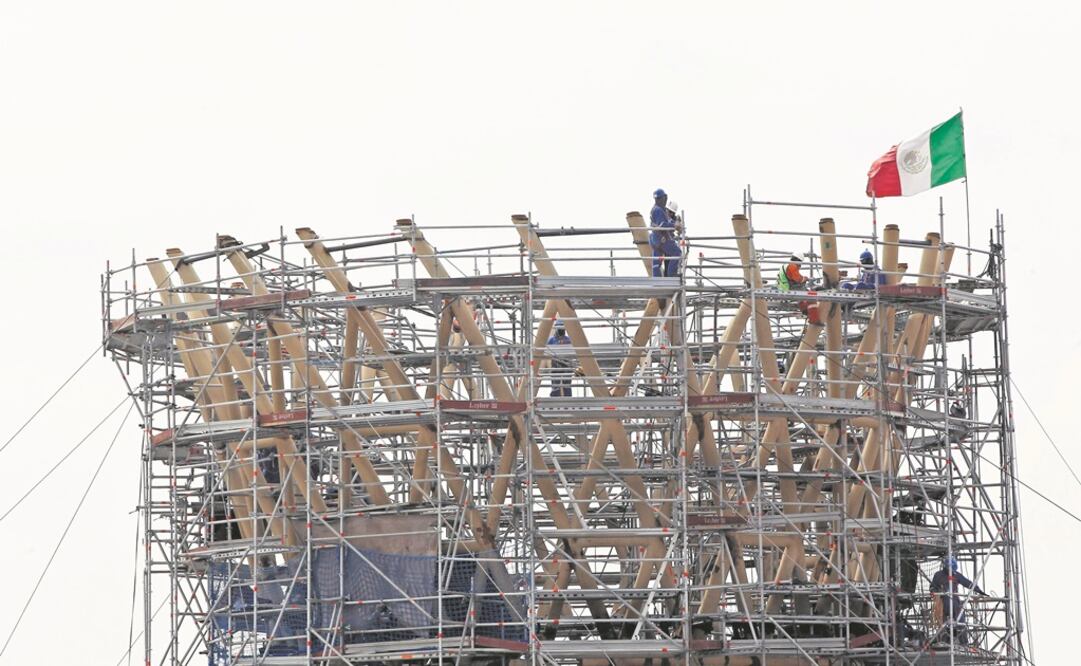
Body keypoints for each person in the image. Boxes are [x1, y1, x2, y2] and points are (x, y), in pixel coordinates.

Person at [930, 556, 985, 646]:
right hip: (943, 601)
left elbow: (967, 583)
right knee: (943, 622)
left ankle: (963, 642)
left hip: (955, 601)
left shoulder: (956, 575)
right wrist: (935, 592)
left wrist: (979, 591)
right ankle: (944, 640)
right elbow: (933, 587)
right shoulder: (938, 575)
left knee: (960, 620)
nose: (951, 571)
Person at [649, 188, 682, 278]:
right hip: (661, 239)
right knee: (677, 253)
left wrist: (676, 224)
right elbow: (662, 225)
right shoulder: (658, 210)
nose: (669, 213)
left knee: (657, 261)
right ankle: (671, 275)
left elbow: (667, 222)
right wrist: (675, 226)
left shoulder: (658, 209)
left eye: (671, 212)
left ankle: (657, 279)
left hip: (656, 239)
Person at [547, 319, 573, 397]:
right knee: (555, 383)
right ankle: (555, 399)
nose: (561, 329)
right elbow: (547, 351)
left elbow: (572, 352)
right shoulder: (551, 340)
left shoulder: (568, 340)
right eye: (559, 327)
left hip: (566, 363)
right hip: (556, 364)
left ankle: (568, 399)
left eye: (562, 327)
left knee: (567, 384)